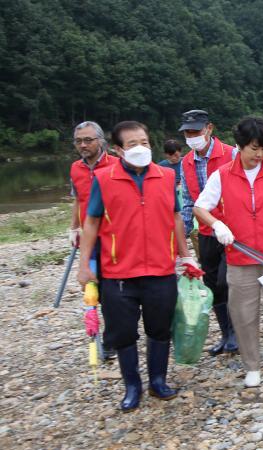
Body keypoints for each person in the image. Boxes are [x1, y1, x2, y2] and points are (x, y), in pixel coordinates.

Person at [76, 121, 196, 411]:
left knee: (160, 329)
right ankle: (132, 387)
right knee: (123, 333)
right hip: (118, 273)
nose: (140, 148)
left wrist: (187, 257)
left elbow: (176, 218)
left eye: (144, 142)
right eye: (132, 144)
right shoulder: (104, 179)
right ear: (118, 150)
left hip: (160, 270)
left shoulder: (166, 176)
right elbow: (91, 222)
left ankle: (158, 381)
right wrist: (84, 265)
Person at [193, 117, 263, 388]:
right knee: (243, 314)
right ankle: (252, 365)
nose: (260, 155)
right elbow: (200, 207)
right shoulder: (222, 175)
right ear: (240, 146)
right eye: (254, 148)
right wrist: (217, 224)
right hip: (240, 256)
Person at [179, 109, 238, 356]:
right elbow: (187, 201)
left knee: (227, 280)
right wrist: (181, 233)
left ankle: (236, 332)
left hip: (231, 231)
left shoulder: (231, 154)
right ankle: (226, 333)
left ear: (209, 129)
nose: (192, 137)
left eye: (196, 131)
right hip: (205, 232)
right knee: (212, 285)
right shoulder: (186, 163)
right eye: (188, 133)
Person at [69, 121, 120, 360]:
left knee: (111, 289)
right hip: (89, 238)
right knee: (92, 285)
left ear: (101, 141)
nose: (83, 145)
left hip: (113, 236)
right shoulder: (75, 168)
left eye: (88, 140)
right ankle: (102, 334)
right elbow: (78, 199)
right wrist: (74, 228)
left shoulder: (117, 165)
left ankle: (111, 340)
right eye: (79, 141)